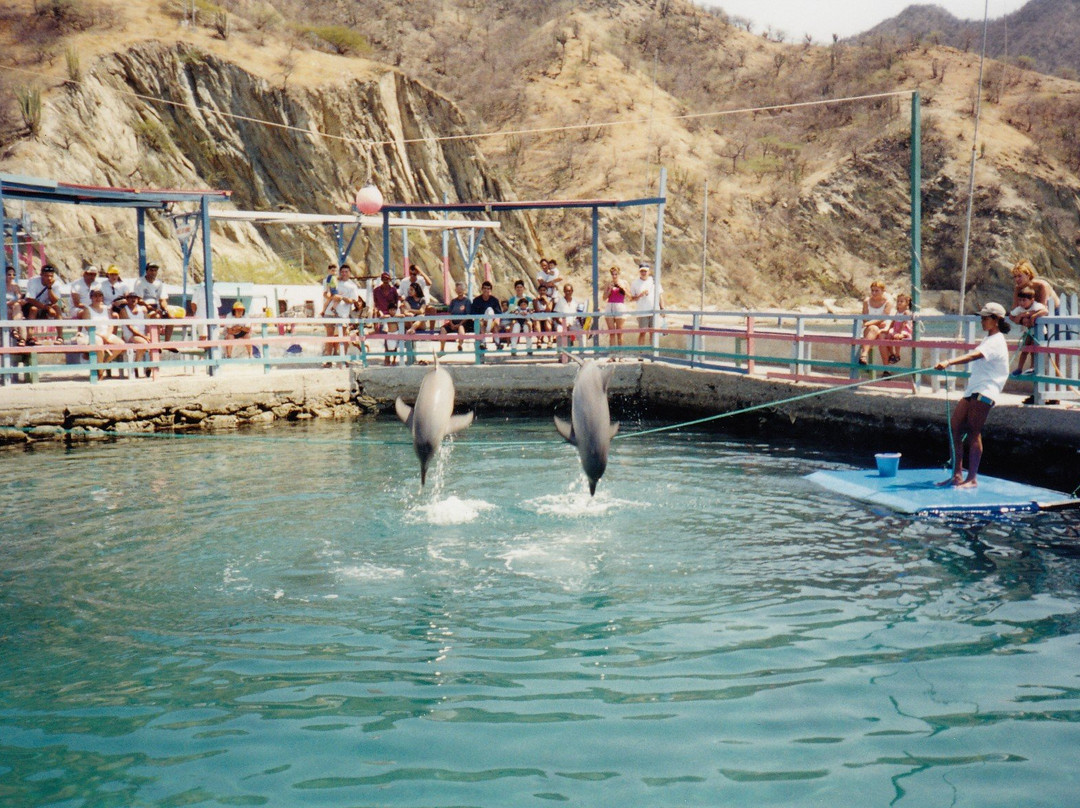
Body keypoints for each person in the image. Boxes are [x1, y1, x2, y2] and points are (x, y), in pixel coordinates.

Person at [934, 302, 1012, 489]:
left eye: (985, 318)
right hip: (973, 389)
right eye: (981, 318)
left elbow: (973, 356)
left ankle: (972, 478)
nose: (982, 322)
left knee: (973, 431)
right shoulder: (988, 338)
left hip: (986, 390)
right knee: (955, 426)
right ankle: (956, 475)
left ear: (996, 320)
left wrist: (949, 362)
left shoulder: (996, 341)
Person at [73, 287, 124, 366]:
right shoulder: (87, 309)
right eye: (95, 296)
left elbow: (111, 324)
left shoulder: (107, 309)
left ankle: (104, 365)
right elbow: (88, 328)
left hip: (105, 334)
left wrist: (107, 335)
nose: (98, 298)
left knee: (121, 344)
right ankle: (100, 370)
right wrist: (103, 337)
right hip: (91, 335)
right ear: (91, 297)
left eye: (100, 295)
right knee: (99, 345)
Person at [1009, 285, 1048, 376]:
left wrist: (1033, 315)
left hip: (1038, 332)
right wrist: (1019, 319)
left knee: (1033, 350)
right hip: (1028, 332)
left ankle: (1032, 367)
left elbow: (1045, 311)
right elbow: (1011, 316)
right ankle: (1019, 368)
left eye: (1024, 300)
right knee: (1024, 349)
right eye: (1020, 300)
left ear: (1032, 300)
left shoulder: (1036, 306)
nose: (1021, 303)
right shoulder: (1020, 309)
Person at [858, 280, 895, 365]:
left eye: (877, 291)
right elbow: (865, 317)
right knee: (873, 328)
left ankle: (886, 367)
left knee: (882, 337)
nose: (874, 293)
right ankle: (864, 355)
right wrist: (873, 323)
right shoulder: (866, 301)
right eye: (872, 290)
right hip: (870, 329)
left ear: (883, 291)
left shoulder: (888, 302)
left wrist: (869, 323)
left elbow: (883, 318)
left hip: (883, 328)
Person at [119, 291, 152, 375]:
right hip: (130, 335)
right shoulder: (124, 310)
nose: (133, 299)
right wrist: (145, 337)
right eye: (130, 298)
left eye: (135, 297)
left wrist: (148, 335)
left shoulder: (143, 309)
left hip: (142, 334)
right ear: (127, 299)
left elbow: (148, 324)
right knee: (144, 343)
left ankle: (148, 366)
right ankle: (135, 366)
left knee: (154, 345)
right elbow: (130, 327)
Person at [880, 292, 913, 365]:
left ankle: (897, 354)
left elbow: (904, 323)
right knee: (888, 337)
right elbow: (893, 321)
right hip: (896, 329)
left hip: (904, 330)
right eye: (898, 301)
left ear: (907, 303)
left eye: (901, 301)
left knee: (896, 337)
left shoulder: (906, 312)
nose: (899, 303)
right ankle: (892, 353)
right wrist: (888, 329)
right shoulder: (897, 312)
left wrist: (900, 332)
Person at [630, 263, 658, 347]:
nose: (643, 273)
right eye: (642, 271)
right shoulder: (635, 283)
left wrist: (662, 308)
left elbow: (660, 295)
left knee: (653, 333)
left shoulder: (654, 281)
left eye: (645, 271)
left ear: (649, 272)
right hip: (642, 312)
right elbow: (632, 298)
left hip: (653, 311)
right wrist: (640, 295)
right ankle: (640, 352)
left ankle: (653, 352)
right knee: (642, 333)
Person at [440, 282, 472, 351]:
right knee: (443, 329)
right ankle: (442, 350)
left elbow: (468, 315)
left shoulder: (467, 301)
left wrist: (460, 324)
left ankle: (460, 345)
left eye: (461, 289)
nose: (459, 291)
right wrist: (451, 323)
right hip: (453, 322)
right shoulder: (453, 301)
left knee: (461, 329)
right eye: (457, 289)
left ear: (464, 290)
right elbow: (450, 314)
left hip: (463, 323)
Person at [470, 280, 502, 347]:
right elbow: (473, 313)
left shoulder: (494, 300)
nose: (486, 290)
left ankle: (498, 343)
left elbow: (498, 314)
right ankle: (483, 343)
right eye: (484, 288)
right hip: (481, 321)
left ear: (490, 290)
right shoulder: (476, 300)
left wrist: (496, 321)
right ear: (482, 289)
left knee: (496, 325)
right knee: (480, 324)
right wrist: (480, 320)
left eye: (488, 289)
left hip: (492, 321)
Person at [603, 266, 628, 348]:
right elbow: (604, 298)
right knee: (611, 332)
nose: (614, 276)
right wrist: (609, 290)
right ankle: (612, 352)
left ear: (619, 274)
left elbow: (630, 296)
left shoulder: (624, 282)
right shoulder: (608, 283)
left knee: (619, 332)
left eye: (616, 274)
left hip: (620, 306)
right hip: (610, 305)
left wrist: (622, 288)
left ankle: (620, 352)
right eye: (612, 274)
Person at [5, 267, 27, 346]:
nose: (12, 276)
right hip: (4, 308)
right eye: (9, 274)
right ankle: (18, 333)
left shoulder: (15, 286)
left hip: (14, 308)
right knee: (11, 311)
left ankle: (16, 332)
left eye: (13, 274)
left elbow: (18, 297)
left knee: (17, 310)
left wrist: (16, 301)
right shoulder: (1, 286)